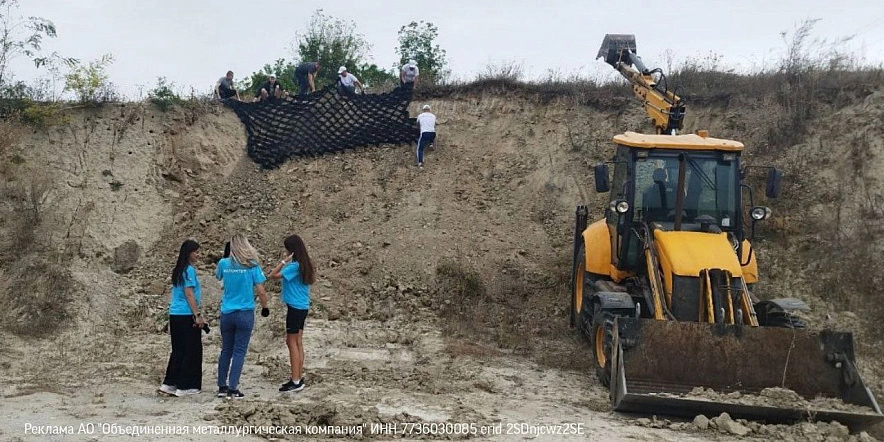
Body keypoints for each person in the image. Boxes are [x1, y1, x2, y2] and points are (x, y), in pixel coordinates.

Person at [215, 233, 270, 399]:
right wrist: (265, 307)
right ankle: (233, 387)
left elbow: (218, 277)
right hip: (245, 312)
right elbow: (261, 290)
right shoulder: (252, 265)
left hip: (227, 312)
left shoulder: (223, 263)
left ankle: (222, 386)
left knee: (226, 350)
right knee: (239, 351)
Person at [268, 234, 316, 393]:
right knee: (298, 342)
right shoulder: (305, 264)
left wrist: (283, 261)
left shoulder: (294, 266)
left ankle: (295, 380)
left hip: (295, 308)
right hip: (302, 306)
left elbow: (272, 275)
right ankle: (298, 376)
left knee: (291, 342)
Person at [160, 239, 206, 397]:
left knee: (178, 350)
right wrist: (197, 315)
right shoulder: (189, 271)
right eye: (196, 252)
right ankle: (186, 386)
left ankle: (170, 383)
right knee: (191, 349)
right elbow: (189, 293)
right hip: (186, 315)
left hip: (175, 314)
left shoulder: (178, 270)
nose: (199, 255)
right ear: (189, 253)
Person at [415, 104, 436, 168]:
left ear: (423, 110)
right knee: (431, 131)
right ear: (429, 110)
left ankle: (420, 163)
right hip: (433, 134)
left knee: (420, 149)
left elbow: (417, 124)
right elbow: (434, 124)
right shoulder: (433, 116)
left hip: (424, 133)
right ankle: (431, 143)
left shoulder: (420, 116)